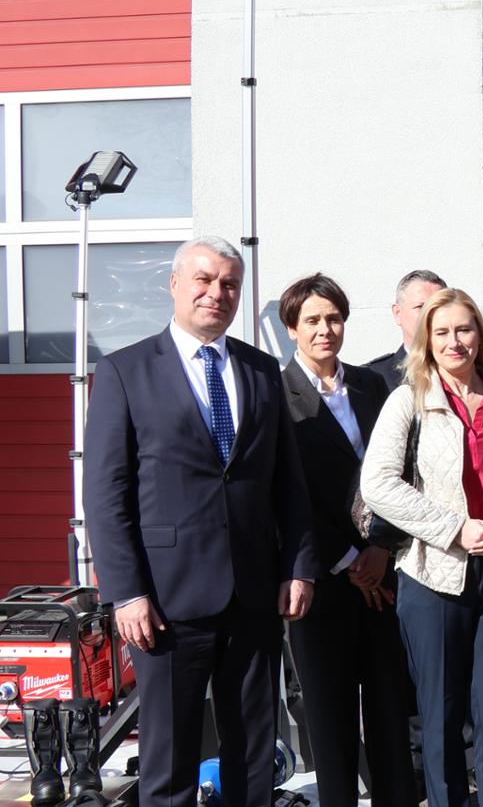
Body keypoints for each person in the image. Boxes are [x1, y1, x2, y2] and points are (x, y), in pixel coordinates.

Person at [84, 236, 319, 807]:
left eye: (230, 284)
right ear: (175, 284)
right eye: (204, 280)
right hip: (165, 601)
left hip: (253, 593)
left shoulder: (262, 370)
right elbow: (106, 493)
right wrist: (127, 593)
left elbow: (288, 483)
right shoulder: (124, 371)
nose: (217, 292)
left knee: (254, 752)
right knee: (170, 758)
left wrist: (299, 566)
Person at [361, 288, 483, 807]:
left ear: (480, 335)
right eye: (441, 331)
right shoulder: (408, 400)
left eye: (464, 329)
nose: (454, 341)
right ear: (426, 339)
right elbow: (378, 484)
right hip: (433, 575)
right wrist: (454, 529)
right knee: (442, 716)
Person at [278, 273, 416, 807]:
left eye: (333, 318)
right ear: (292, 328)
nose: (324, 329)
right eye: (312, 320)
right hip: (321, 577)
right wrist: (349, 559)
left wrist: (380, 548)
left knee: (388, 707)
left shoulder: (372, 385)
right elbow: (286, 491)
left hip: (382, 570)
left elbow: (401, 471)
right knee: (330, 717)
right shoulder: (276, 395)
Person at [366, 269, 449, 389]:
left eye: (438, 307)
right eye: (421, 307)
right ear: (398, 313)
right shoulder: (374, 378)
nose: (430, 314)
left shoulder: (469, 371)